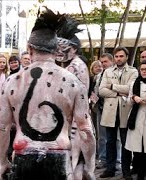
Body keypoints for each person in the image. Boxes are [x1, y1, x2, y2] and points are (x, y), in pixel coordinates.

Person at [0, 7, 95, 180]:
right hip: (58, 155)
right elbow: (85, 129)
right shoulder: (73, 82)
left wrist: (2, 161)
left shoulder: (12, 81)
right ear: (56, 49)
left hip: (23, 154)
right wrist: (89, 166)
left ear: (29, 48)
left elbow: (2, 127)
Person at [56, 14, 95, 179]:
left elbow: (72, 96)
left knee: (74, 159)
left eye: (64, 49)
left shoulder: (75, 66)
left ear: (74, 49)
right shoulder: (70, 65)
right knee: (73, 159)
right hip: (71, 118)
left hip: (75, 119)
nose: (60, 52)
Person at [99, 46, 138, 180]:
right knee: (110, 142)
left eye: (121, 56)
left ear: (126, 57)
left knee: (126, 142)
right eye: (116, 56)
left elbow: (130, 89)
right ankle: (110, 169)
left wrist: (112, 86)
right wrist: (119, 91)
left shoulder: (133, 71)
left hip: (125, 111)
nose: (119, 58)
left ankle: (126, 171)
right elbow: (101, 91)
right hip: (110, 112)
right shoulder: (108, 71)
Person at [125, 60, 146, 180]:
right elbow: (128, 99)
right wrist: (134, 97)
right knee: (138, 150)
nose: (144, 71)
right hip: (136, 117)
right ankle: (140, 174)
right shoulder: (134, 83)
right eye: (142, 69)